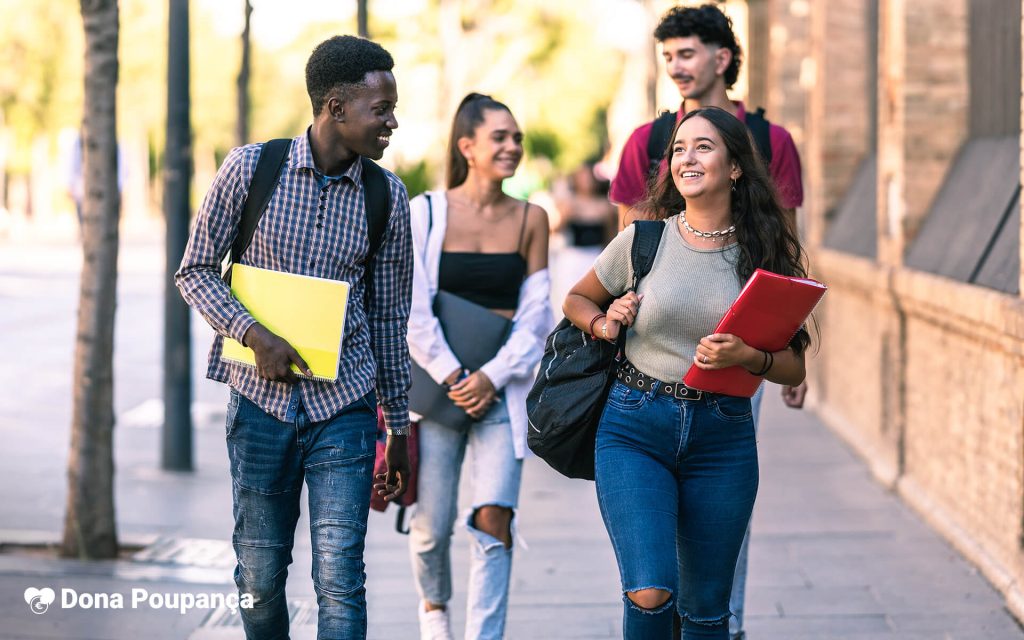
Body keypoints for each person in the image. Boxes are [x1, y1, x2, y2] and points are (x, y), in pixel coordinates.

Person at [175, 35, 412, 640]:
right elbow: (195, 271)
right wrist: (253, 335)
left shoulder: (388, 197)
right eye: (379, 109)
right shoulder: (253, 168)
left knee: (340, 576)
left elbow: (388, 318)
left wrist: (398, 426)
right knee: (260, 573)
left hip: (345, 409)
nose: (391, 121)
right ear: (334, 107)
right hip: (259, 407)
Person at [563, 106, 811, 639]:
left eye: (703, 147)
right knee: (650, 591)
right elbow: (578, 299)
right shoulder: (643, 240)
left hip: (722, 437)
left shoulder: (764, 255)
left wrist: (748, 357)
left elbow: (793, 368)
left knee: (705, 612)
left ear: (736, 167)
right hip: (635, 426)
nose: (686, 158)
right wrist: (607, 323)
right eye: (678, 148)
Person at [610, 7, 807, 636]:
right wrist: (619, 313)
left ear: (722, 58)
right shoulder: (646, 141)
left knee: (721, 510)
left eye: (687, 53)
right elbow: (628, 243)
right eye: (667, 56)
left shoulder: (772, 142)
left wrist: (780, 357)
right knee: (653, 534)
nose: (676, 66)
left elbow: (785, 257)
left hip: (736, 358)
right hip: (649, 366)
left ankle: (726, 620)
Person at [406, 93, 552, 640]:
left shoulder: (532, 219)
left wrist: (490, 376)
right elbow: (412, 307)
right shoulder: (425, 212)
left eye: (516, 137)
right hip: (438, 393)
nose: (513, 146)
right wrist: (454, 376)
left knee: (495, 519)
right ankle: (434, 614)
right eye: (500, 137)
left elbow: (537, 315)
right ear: (467, 147)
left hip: (500, 391)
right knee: (430, 529)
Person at [550, 162, 618, 309]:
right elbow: (555, 230)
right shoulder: (569, 203)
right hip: (572, 258)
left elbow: (610, 236)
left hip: (595, 256)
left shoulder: (604, 206)